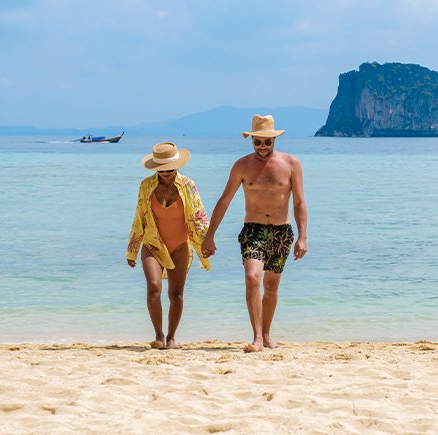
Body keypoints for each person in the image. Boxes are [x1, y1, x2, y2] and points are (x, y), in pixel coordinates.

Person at [201, 114, 308, 353]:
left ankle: (267, 334)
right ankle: (257, 338)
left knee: (271, 286)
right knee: (253, 278)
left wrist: (302, 237)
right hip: (253, 230)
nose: (262, 147)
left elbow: (300, 202)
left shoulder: (291, 164)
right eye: (257, 142)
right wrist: (210, 236)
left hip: (282, 232)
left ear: (274, 140)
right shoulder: (241, 165)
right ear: (251, 141)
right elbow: (224, 201)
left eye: (266, 142)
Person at [127, 142, 210, 349]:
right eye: (161, 168)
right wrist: (132, 250)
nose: (165, 172)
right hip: (152, 244)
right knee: (154, 287)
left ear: (176, 164)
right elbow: (140, 218)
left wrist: (207, 241)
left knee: (176, 295)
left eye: (169, 167)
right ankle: (158, 335)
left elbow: (199, 216)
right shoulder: (146, 186)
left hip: (180, 245)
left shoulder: (188, 185)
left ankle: (172, 336)